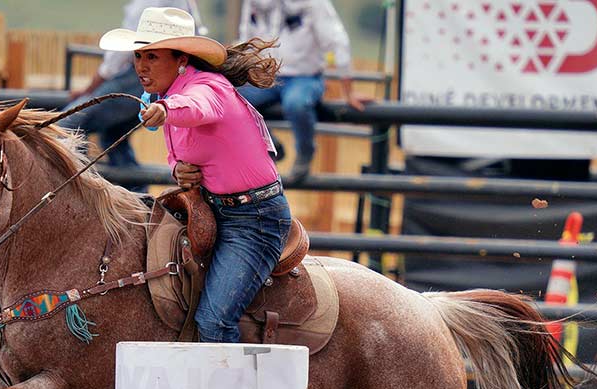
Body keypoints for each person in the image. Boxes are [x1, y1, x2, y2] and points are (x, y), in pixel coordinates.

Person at [100, 7, 292, 343]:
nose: (142, 66)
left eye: (153, 57)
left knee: (215, 322)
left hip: (253, 220)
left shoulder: (207, 86)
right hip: (213, 211)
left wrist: (166, 110)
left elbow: (197, 107)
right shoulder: (168, 93)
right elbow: (178, 151)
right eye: (139, 56)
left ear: (181, 60)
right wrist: (178, 169)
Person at [58, 0, 204, 184]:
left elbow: (116, 59)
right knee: (114, 136)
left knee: (68, 125)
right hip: (163, 70)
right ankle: (138, 202)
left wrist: (90, 89)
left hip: (139, 78)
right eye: (138, 55)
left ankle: (77, 191)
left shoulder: (148, 5)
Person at [238, 0, 370, 181]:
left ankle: (305, 151)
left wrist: (348, 91)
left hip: (305, 76)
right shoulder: (253, 2)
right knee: (232, 98)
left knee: (296, 104)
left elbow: (336, 40)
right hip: (265, 75)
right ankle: (268, 144)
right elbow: (246, 37)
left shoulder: (314, 3)